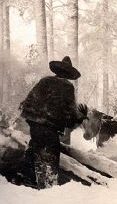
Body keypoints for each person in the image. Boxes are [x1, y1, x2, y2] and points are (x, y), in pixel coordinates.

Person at [19, 56, 88, 189]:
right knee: (51, 155)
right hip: (50, 128)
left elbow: (28, 103)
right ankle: (48, 188)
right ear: (68, 74)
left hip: (34, 124)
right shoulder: (67, 87)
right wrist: (81, 117)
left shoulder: (44, 81)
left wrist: (33, 120)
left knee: (35, 148)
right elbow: (69, 115)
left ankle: (28, 181)